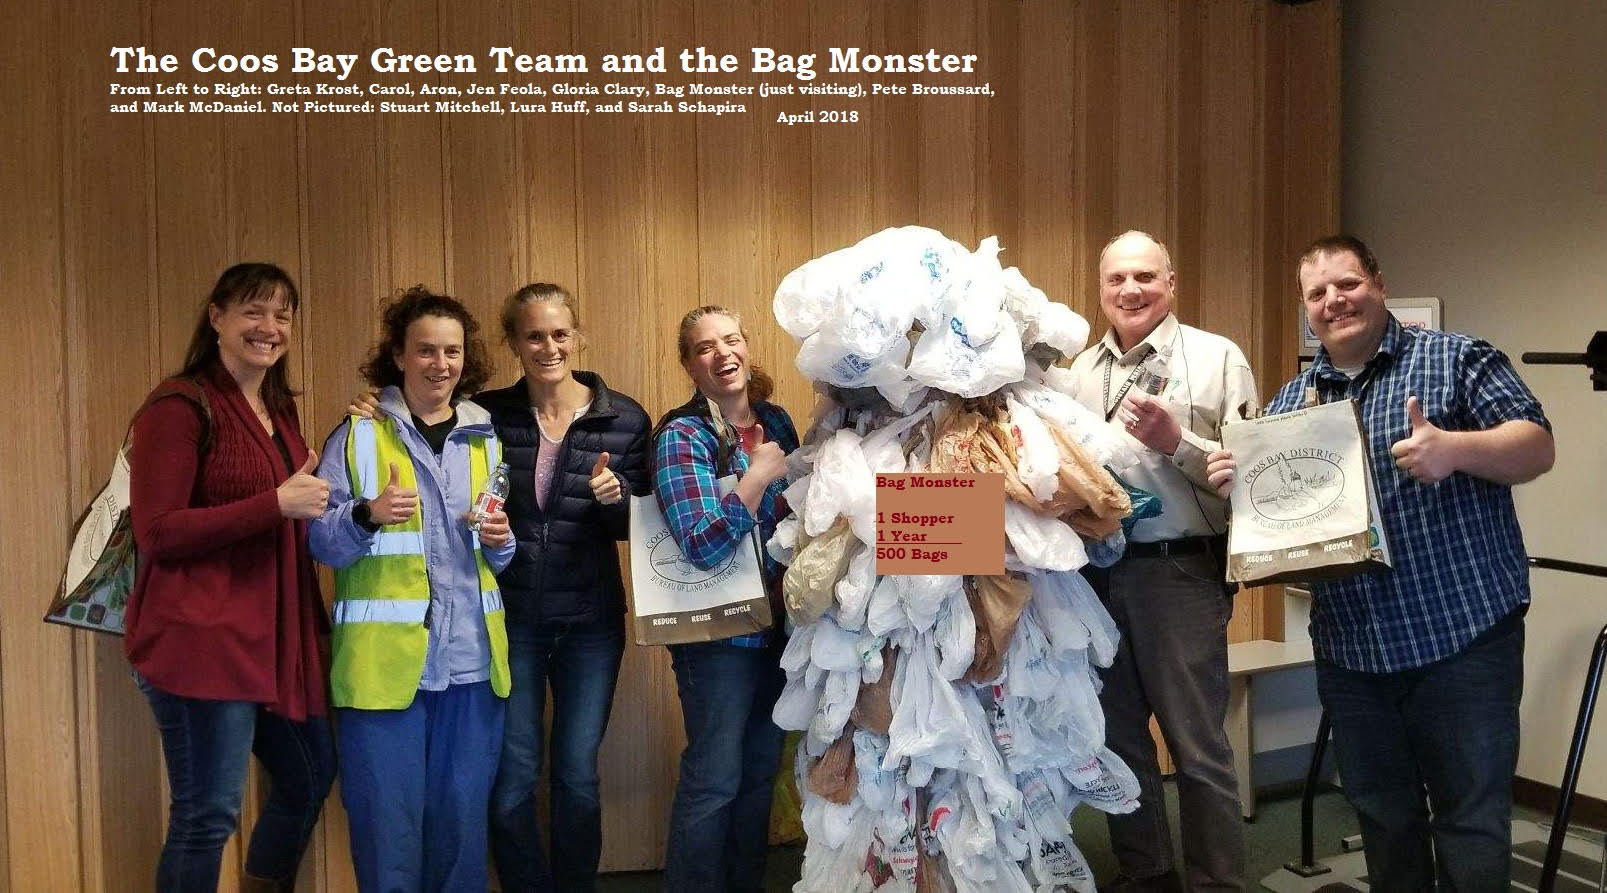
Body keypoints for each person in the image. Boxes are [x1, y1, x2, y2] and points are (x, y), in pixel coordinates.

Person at [1208, 235, 1553, 890]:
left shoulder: (1456, 359)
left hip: (1462, 640)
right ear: (1306, 309)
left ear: (1378, 283)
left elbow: (1534, 446)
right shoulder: (1288, 406)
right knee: (1382, 818)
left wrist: (1454, 449)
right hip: (1352, 655)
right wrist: (1240, 486)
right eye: (1317, 293)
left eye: (1347, 283)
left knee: (1470, 821)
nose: (1334, 300)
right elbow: (1280, 536)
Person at [124, 262, 335, 893]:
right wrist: (274, 504)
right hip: (201, 641)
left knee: (309, 775)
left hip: (269, 643)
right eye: (253, 311)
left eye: (282, 314)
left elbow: (299, 504)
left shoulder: (276, 409)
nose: (269, 327)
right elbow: (156, 532)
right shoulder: (178, 405)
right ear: (215, 316)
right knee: (206, 815)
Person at [1062, 230, 1254, 891]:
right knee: (1117, 738)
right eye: (1116, 278)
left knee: (1196, 743)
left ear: (1170, 283)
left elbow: (1255, 479)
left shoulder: (1215, 358)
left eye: (1145, 276)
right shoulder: (1076, 374)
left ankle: (1216, 881)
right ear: (1100, 288)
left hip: (1177, 572)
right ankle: (1146, 870)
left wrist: (1177, 442)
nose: (1131, 289)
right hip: (1093, 577)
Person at [309, 287, 516, 892]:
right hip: (382, 674)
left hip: (472, 668)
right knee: (387, 835)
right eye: (426, 350)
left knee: (461, 834)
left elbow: (497, 556)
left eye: (451, 352)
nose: (440, 365)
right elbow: (320, 544)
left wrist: (501, 538)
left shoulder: (486, 435)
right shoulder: (357, 434)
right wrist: (367, 516)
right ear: (398, 356)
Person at [479, 283, 652, 892]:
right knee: (513, 775)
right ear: (514, 343)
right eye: (533, 335)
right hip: (512, 618)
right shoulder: (485, 416)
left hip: (590, 623)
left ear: (577, 337)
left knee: (577, 775)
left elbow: (644, 527)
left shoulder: (624, 418)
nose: (548, 346)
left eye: (559, 333)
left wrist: (620, 501)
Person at [653, 305, 798, 893]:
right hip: (717, 637)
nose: (723, 354)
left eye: (731, 340)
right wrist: (759, 475)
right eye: (705, 348)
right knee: (715, 777)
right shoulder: (682, 434)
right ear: (690, 365)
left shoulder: (779, 421)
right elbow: (703, 545)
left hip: (780, 628)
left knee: (761, 775)